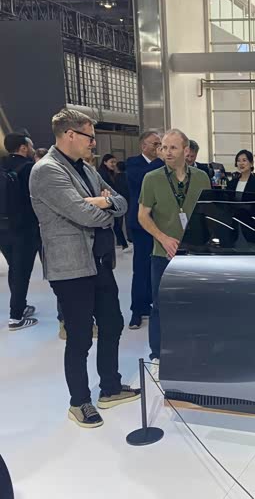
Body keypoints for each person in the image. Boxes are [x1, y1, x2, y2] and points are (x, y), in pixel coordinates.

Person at [30, 108, 140, 428]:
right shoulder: (47, 170)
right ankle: (79, 402)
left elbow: (121, 202)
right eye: (90, 136)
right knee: (80, 337)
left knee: (112, 324)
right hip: (71, 268)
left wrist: (103, 202)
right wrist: (100, 206)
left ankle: (110, 387)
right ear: (70, 135)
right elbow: (85, 215)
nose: (94, 142)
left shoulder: (86, 169)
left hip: (99, 263)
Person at [138, 129, 211, 380]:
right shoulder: (152, 179)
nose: (167, 152)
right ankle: (157, 355)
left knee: (195, 305)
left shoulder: (201, 178)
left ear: (186, 150)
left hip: (194, 255)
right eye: (163, 147)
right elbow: (142, 215)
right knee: (160, 306)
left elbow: (207, 214)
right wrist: (163, 238)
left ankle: (195, 351)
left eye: (172, 148)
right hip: (163, 254)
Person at [125, 130, 164, 330]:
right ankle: (137, 309)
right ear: (143, 146)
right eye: (155, 144)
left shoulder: (163, 166)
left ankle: (152, 304)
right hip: (141, 224)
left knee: (156, 266)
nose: (159, 147)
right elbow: (143, 180)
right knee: (141, 268)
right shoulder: (133, 164)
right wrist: (160, 161)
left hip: (160, 223)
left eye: (160, 143)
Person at [1, 132, 40, 331]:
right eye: (30, 146)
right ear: (23, 148)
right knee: (21, 271)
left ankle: (21, 306)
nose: (32, 149)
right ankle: (16, 317)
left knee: (14, 268)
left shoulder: (2, 165)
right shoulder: (30, 168)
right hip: (24, 228)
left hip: (2, 228)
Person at [98, 154, 129, 251]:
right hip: (106, 201)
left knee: (116, 224)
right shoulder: (101, 174)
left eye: (115, 162)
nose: (114, 164)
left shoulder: (111, 174)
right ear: (105, 162)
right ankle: (122, 243)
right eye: (111, 162)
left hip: (113, 201)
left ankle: (122, 243)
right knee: (114, 224)